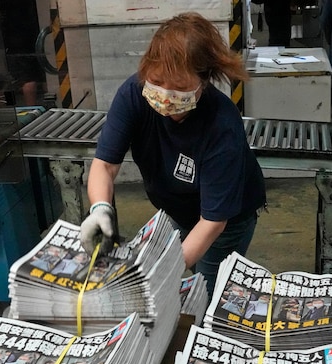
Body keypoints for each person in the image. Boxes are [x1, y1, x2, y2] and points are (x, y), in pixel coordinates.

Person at [80, 13, 266, 297]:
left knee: (206, 291)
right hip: (176, 208)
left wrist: (167, 273)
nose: (165, 95)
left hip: (225, 219)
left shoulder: (221, 124)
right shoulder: (134, 94)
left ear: (203, 81)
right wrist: (100, 209)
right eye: (156, 80)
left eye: (179, 87)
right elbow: (104, 165)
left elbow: (213, 221)